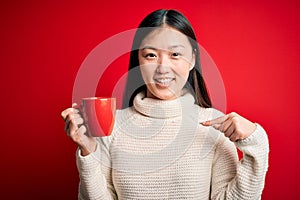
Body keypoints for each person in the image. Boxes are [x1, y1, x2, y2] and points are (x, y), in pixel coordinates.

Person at [61, 9, 269, 199]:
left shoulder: (214, 127)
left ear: (192, 60)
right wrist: (88, 151)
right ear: (139, 61)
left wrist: (256, 142)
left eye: (175, 55)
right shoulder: (112, 127)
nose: (163, 68)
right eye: (151, 55)